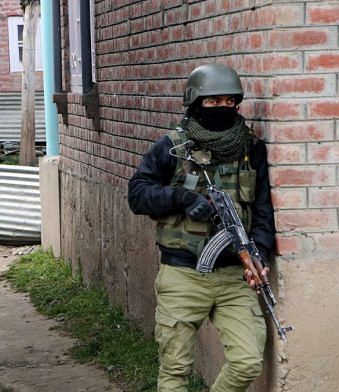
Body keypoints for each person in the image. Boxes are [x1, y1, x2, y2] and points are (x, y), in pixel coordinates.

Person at [127, 63, 276, 392]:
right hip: (183, 274)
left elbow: (263, 210)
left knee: (247, 361)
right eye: (213, 102)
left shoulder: (251, 150)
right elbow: (137, 194)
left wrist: (259, 254)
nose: (222, 108)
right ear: (195, 104)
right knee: (175, 369)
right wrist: (179, 197)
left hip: (235, 276)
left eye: (229, 102)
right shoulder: (173, 146)